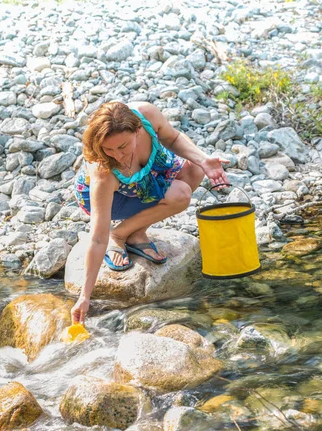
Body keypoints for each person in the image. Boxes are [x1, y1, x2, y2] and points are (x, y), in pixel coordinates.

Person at [71, 101, 229, 324]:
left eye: (123, 146)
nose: (118, 155)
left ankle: (135, 232)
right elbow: (97, 239)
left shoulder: (146, 116)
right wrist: (84, 297)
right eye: (109, 148)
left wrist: (204, 160)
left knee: (194, 169)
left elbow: (173, 138)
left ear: (138, 130)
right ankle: (118, 235)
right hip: (112, 197)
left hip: (144, 179)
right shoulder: (104, 170)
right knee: (180, 193)